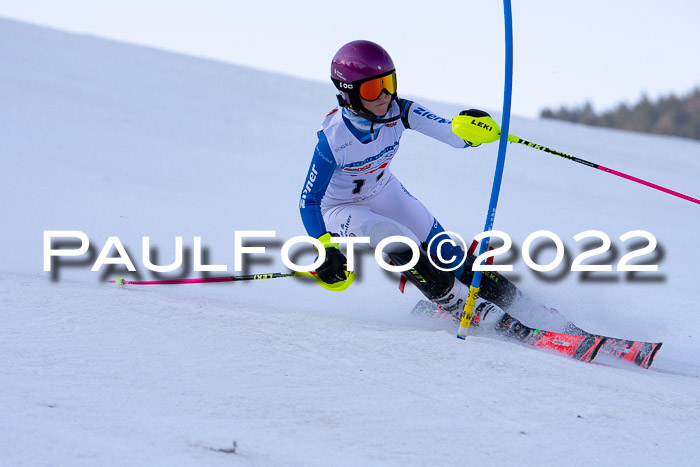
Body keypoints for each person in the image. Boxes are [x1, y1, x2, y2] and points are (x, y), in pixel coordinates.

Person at [299, 39, 517, 317]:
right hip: (341, 208)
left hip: (383, 190)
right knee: (397, 241)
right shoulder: (333, 137)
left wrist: (472, 132)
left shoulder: (400, 111)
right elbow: (309, 200)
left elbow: (452, 134)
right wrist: (325, 248)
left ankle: (514, 300)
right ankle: (457, 302)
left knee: (445, 250)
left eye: (389, 82)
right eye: (372, 88)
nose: (385, 95)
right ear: (349, 93)